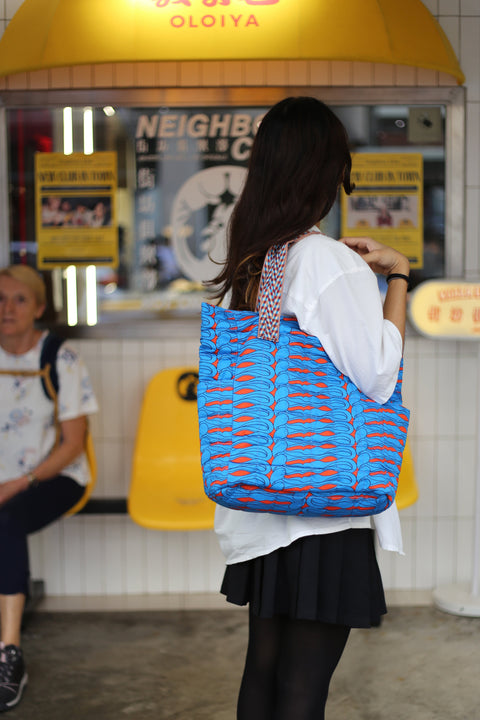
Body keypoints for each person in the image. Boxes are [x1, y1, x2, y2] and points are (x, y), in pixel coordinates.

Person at [207, 97, 410, 720]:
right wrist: (397, 276)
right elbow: (378, 373)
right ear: (324, 172)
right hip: (320, 505)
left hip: (266, 501)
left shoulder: (257, 257)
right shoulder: (323, 259)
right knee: (302, 690)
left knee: (265, 675)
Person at [0, 265, 98, 712]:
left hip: (53, 477)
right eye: (0, 299)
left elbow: (73, 443)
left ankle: (9, 653)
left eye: (19, 299)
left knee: (5, 518)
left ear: (39, 308)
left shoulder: (59, 358)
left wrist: (17, 484)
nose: (6, 309)